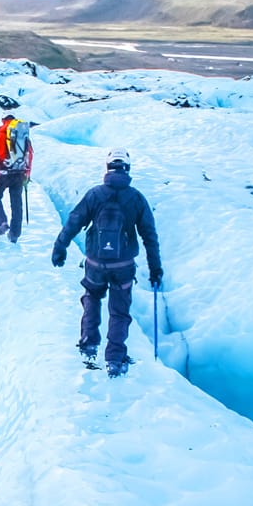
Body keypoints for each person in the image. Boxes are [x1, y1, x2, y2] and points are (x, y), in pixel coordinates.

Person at [51, 148, 162, 377]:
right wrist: (155, 268)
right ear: (127, 169)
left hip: (95, 262)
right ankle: (114, 359)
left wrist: (59, 247)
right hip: (123, 266)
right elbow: (149, 236)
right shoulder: (136, 198)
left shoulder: (95, 195)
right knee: (119, 312)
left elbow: (73, 222)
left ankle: (88, 344)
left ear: (108, 167)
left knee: (92, 298)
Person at [0, 113, 33, 243]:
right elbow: (29, 156)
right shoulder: (24, 136)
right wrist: (27, 174)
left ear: (3, 121)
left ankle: (2, 222)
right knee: (17, 204)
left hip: (3, 173)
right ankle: (14, 234)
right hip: (20, 174)